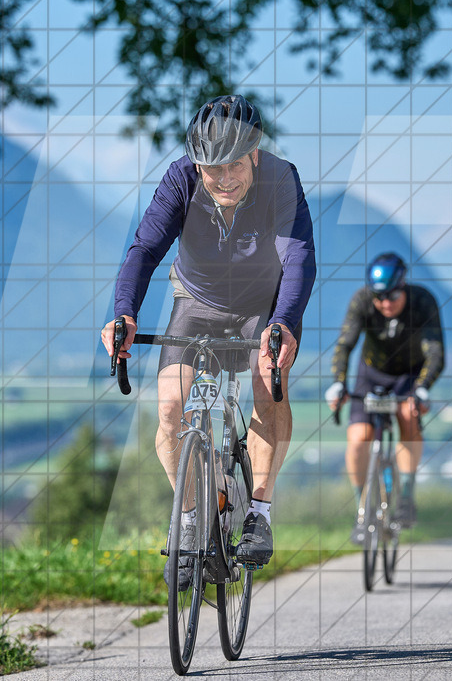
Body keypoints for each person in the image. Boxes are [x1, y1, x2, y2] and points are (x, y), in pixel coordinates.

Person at [101, 95, 316, 588]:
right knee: (172, 410)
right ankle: (192, 521)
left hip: (263, 303)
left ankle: (258, 511)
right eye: (210, 168)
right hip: (195, 301)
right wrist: (124, 314)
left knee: (268, 382)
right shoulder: (180, 179)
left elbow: (299, 258)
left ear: (255, 154)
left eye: (233, 166)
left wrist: (284, 324)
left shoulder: (281, 179)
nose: (222, 179)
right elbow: (145, 249)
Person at [324, 252, 444, 542]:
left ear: (403, 287)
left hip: (410, 376)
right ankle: (362, 512)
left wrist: (423, 387)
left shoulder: (423, 301)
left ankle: (406, 497)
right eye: (379, 298)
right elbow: (344, 345)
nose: (385, 303)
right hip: (371, 374)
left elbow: (436, 353)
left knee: (407, 416)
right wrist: (338, 383)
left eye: (392, 296)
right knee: (357, 442)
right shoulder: (362, 300)